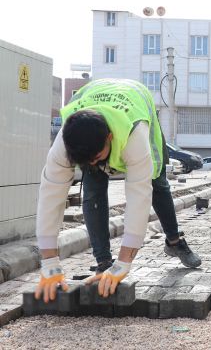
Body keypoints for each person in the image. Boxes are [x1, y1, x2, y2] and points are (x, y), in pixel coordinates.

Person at [34, 79, 202, 303]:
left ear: (109, 138)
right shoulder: (65, 143)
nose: (93, 163)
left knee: (157, 183)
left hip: (135, 103)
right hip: (93, 99)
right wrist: (49, 263)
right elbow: (50, 197)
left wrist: (124, 263)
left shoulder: (135, 135)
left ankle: (174, 241)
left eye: (96, 157)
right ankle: (103, 262)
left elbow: (138, 198)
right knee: (92, 191)